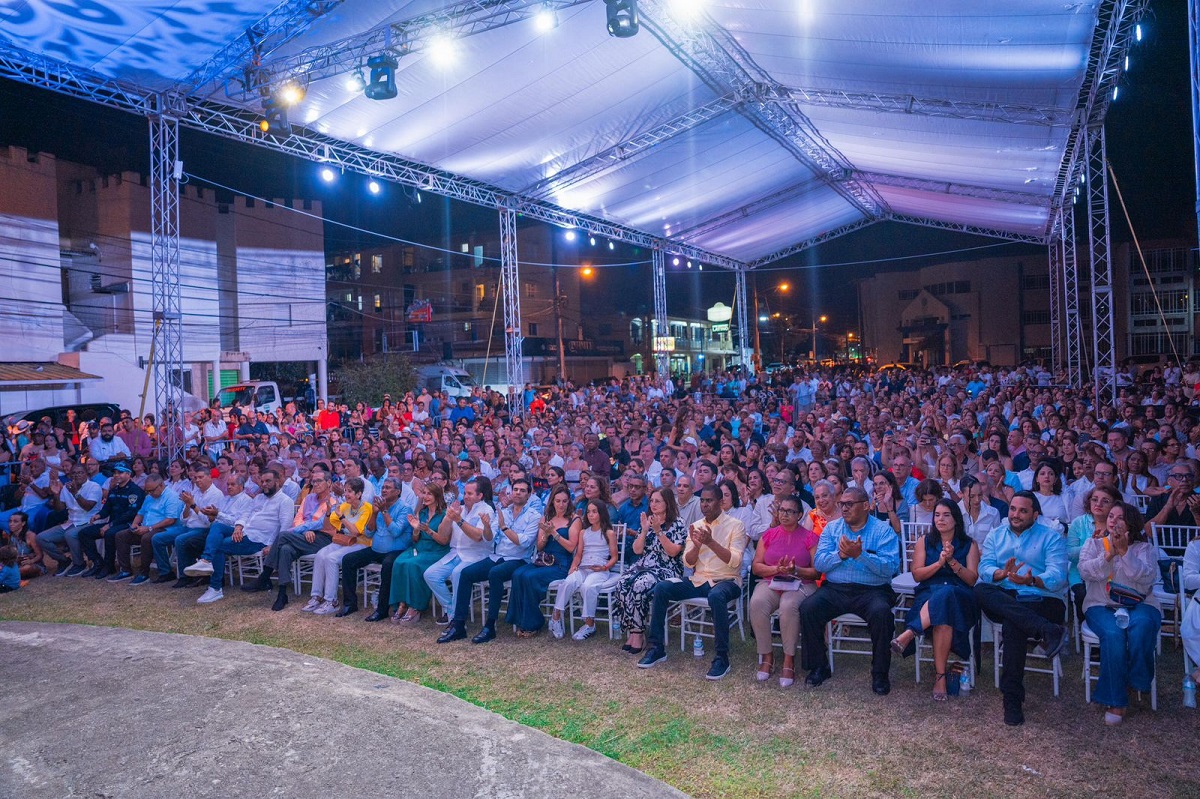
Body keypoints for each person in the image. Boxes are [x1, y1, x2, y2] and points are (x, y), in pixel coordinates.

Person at [973, 491, 1069, 726]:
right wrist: (1002, 573)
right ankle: (1046, 631)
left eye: (1023, 510)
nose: (1015, 514)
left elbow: (1058, 575)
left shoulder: (1051, 537)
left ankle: (1012, 699)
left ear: (1035, 515)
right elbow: (984, 567)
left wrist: (1031, 580)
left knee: (1013, 624)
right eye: (1013, 509)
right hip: (1006, 594)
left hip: (1041, 597)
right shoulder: (996, 535)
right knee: (980, 590)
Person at [638, 485, 747, 681]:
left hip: (726, 580)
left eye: (709, 500)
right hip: (698, 579)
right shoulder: (695, 526)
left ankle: (722, 657)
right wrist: (697, 547)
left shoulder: (735, 525)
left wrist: (711, 542)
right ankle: (656, 648)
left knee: (716, 595)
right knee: (662, 587)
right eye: (703, 501)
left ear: (721, 502)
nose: (705, 504)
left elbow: (736, 562)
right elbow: (687, 562)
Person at [799, 486, 901, 695]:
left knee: (882, 614)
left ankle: (880, 673)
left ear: (865, 506)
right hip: (836, 588)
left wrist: (860, 555)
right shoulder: (832, 529)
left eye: (849, 504)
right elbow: (819, 563)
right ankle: (819, 666)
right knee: (809, 608)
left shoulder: (883, 530)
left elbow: (890, 568)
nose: (844, 508)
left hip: (873, 590)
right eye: (842, 504)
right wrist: (842, 555)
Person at [1077, 502, 1161, 725]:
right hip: (1101, 604)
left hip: (1141, 604)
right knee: (1113, 634)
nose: (1113, 520)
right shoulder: (1094, 543)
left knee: (1142, 626)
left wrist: (1124, 552)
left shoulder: (1145, 549)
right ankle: (1116, 701)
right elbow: (1085, 572)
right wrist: (1108, 555)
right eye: (1111, 516)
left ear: (1131, 522)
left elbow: (1146, 578)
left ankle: (1136, 679)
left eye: (1119, 516)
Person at [890, 499, 980, 700]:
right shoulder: (924, 541)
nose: (940, 519)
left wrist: (953, 562)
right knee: (943, 614)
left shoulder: (969, 544)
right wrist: (940, 563)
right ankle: (940, 677)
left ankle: (910, 632)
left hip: (961, 596)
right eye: (937, 515)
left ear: (956, 519)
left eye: (946, 515)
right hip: (929, 595)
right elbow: (917, 575)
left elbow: (972, 580)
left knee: (948, 594)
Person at [438, 477, 539, 643]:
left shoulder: (534, 516)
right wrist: (486, 527)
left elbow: (524, 542)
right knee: (465, 573)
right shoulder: (503, 512)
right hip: (497, 556)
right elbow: (488, 539)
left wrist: (504, 527)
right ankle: (458, 624)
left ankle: (490, 626)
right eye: (515, 489)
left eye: (522, 490)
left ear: (529, 494)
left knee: (495, 573)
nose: (518, 493)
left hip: (518, 559)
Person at [188, 466, 294, 604]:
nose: (264, 484)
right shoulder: (259, 498)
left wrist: (273, 546)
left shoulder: (285, 501)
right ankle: (206, 561)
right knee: (218, 526)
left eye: (268, 481)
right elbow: (246, 515)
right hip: (244, 532)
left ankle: (215, 588)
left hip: (259, 539)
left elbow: (285, 528)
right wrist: (239, 526)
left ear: (278, 481)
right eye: (262, 481)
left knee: (219, 546)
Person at [749, 495, 819, 687]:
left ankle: (789, 659)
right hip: (773, 580)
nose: (784, 514)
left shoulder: (810, 537)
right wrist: (776, 570)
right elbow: (756, 567)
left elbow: (816, 572)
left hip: (801, 582)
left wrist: (796, 570)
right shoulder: (769, 535)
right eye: (782, 510)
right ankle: (767, 656)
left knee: (788, 606)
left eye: (790, 511)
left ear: (799, 515)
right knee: (757, 602)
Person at [614, 487, 687, 654]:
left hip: (667, 568)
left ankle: (638, 634)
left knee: (640, 585)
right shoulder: (648, 520)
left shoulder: (678, 523)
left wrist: (658, 531)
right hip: (644, 565)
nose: (653, 504)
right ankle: (634, 630)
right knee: (622, 583)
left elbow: (673, 552)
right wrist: (645, 530)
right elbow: (637, 550)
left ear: (667, 503)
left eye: (657, 501)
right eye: (651, 501)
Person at [505, 484, 578, 637]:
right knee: (518, 574)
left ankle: (533, 623)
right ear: (552, 502)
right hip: (543, 559)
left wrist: (555, 534)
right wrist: (545, 534)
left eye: (564, 501)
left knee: (529, 577)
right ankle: (521, 620)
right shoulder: (546, 517)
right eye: (558, 501)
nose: (561, 505)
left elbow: (571, 548)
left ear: (569, 502)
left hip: (561, 564)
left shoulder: (574, 519)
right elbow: (539, 546)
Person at [336, 477, 413, 618]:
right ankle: (350, 604)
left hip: (396, 550)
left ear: (397, 491)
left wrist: (384, 512)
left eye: (388, 488)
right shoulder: (377, 506)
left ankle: (382, 610)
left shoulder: (405, 508)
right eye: (383, 487)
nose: (384, 490)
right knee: (348, 560)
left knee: (388, 564)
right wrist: (375, 513)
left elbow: (396, 531)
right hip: (376, 548)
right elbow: (369, 532)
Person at [425, 476, 496, 624]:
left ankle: (455, 619)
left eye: (470, 494)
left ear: (480, 495)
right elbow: (443, 534)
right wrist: (448, 518)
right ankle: (451, 609)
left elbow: (478, 536)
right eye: (465, 493)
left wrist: (458, 520)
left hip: (476, 556)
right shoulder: (460, 509)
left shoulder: (486, 510)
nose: (466, 496)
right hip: (455, 554)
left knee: (458, 573)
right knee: (430, 574)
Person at [301, 476, 375, 615]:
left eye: (349, 492)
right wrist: (329, 512)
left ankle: (331, 601)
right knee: (320, 555)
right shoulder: (345, 506)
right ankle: (316, 596)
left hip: (361, 544)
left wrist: (342, 517)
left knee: (331, 559)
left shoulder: (367, 508)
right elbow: (327, 526)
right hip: (343, 540)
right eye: (345, 491)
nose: (346, 494)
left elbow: (355, 532)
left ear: (358, 494)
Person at [549, 498, 618, 641]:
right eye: (588, 512)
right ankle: (555, 618)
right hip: (583, 567)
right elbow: (579, 554)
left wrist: (604, 567)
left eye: (594, 512)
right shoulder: (583, 532)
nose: (591, 515)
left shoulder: (609, 533)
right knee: (568, 582)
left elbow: (614, 557)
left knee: (588, 586)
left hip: (600, 569)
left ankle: (589, 624)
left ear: (601, 513)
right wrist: (573, 567)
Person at [387, 482, 450, 624]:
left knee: (412, 565)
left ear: (437, 496)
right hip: (420, 547)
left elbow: (443, 541)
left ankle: (415, 606)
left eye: (429, 494)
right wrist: (416, 529)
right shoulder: (422, 512)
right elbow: (415, 539)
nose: (425, 497)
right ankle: (402, 603)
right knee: (398, 562)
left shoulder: (445, 515)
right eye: (424, 493)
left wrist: (429, 531)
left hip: (436, 550)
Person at [74, 462, 145, 579]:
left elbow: (130, 514)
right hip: (112, 523)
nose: (116, 475)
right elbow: (107, 508)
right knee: (84, 533)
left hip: (128, 524)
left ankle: (109, 566)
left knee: (109, 533)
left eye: (120, 473)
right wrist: (98, 515)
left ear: (128, 474)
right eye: (115, 473)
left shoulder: (134, 490)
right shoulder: (114, 489)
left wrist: (110, 525)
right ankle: (97, 563)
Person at [112, 473, 183, 584]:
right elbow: (140, 513)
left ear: (161, 485)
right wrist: (135, 524)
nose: (150, 493)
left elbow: (170, 520)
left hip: (165, 528)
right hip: (146, 527)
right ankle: (125, 570)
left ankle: (144, 572)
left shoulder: (172, 497)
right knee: (121, 535)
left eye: (152, 490)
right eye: (147, 491)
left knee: (147, 538)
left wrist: (149, 528)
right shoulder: (149, 497)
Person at [34, 465, 101, 577]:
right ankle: (63, 560)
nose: (77, 475)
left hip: (89, 521)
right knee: (41, 537)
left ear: (86, 474)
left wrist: (75, 493)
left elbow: (88, 507)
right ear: (70, 475)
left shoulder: (94, 487)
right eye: (74, 473)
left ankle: (79, 564)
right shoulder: (66, 487)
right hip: (71, 522)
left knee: (70, 534)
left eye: (80, 472)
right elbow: (59, 509)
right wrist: (56, 495)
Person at [1065, 485, 1120, 622]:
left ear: (1115, 504)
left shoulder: (1118, 523)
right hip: (1081, 575)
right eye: (1095, 499)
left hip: (1113, 573)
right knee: (1083, 594)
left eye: (1105, 501)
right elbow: (1070, 554)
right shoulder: (1079, 523)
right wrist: (1092, 544)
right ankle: (1087, 628)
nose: (1098, 504)